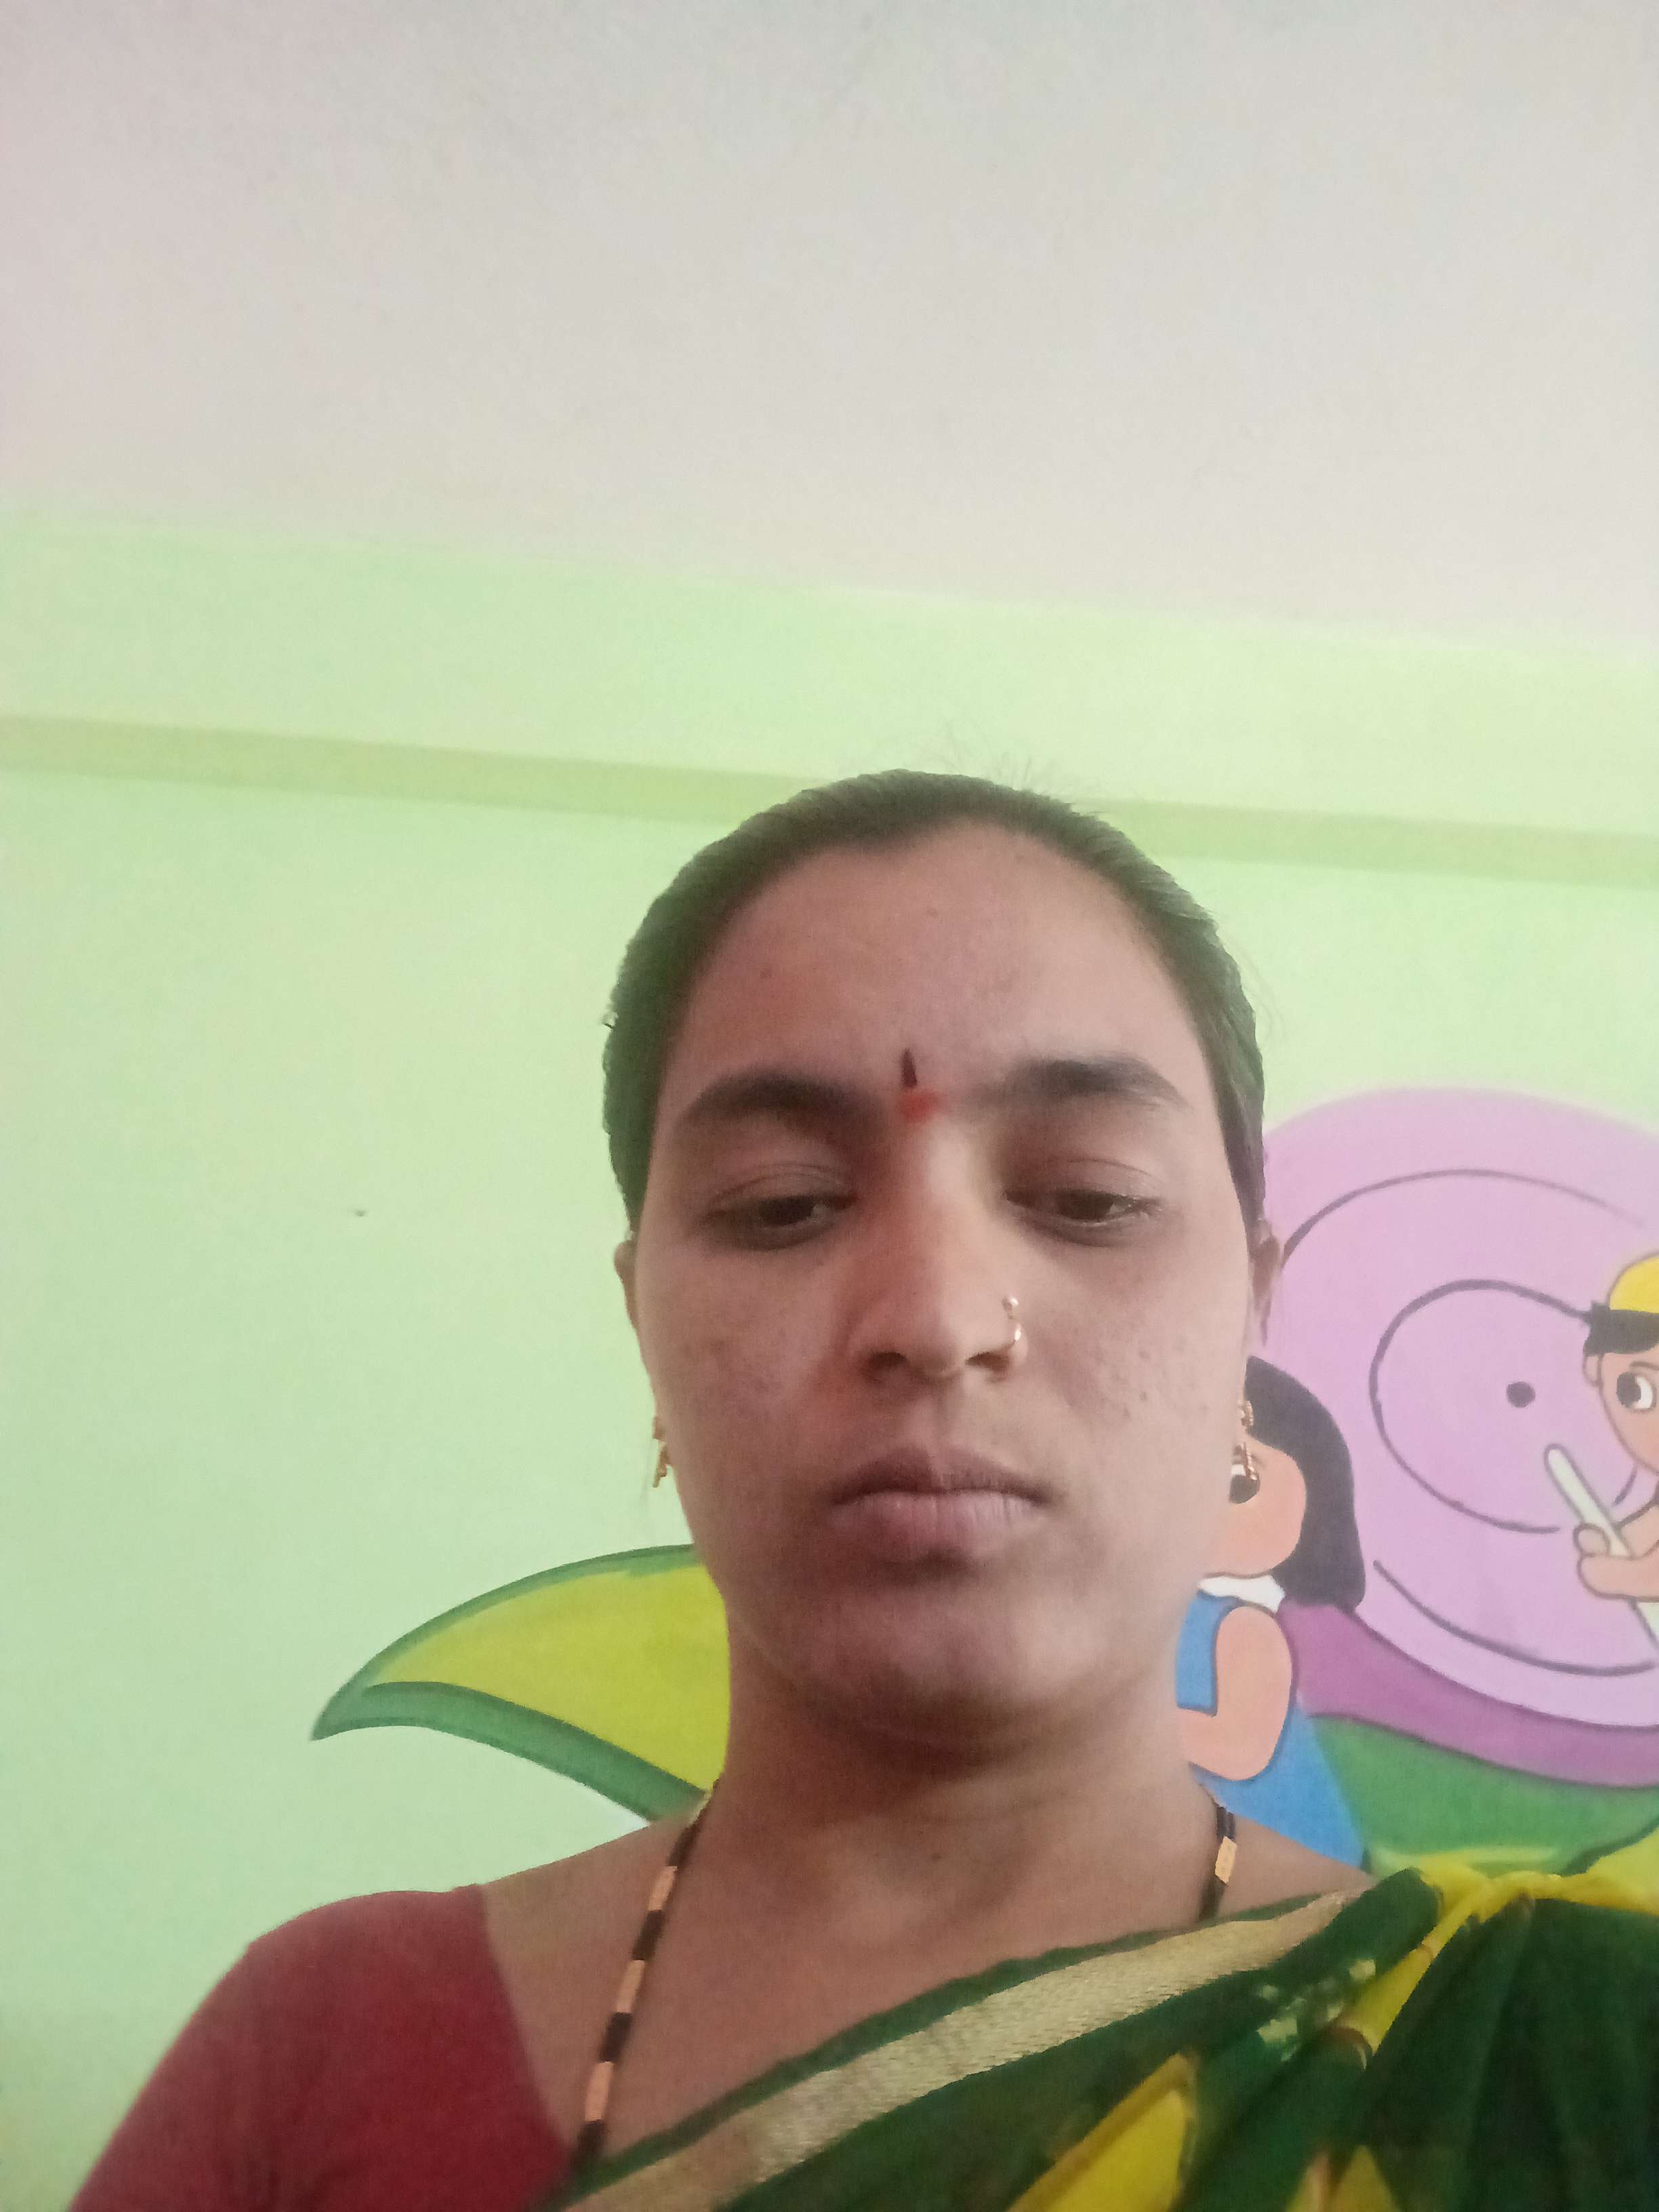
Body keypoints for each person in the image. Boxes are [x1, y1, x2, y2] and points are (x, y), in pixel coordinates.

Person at [75, 773, 1659, 2211]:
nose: (938, 1317)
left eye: (1086, 1196)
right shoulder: (329, 2050)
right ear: (644, 1326)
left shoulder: (1564, 2064)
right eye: (784, 1205)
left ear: (1251, 1306)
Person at [1177, 1356, 1366, 1863]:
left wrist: (1121, 1731)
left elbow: (1240, 1750)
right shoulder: (1172, 1606)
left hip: (1279, 1846)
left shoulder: (1245, 1625)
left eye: (1239, 1484)